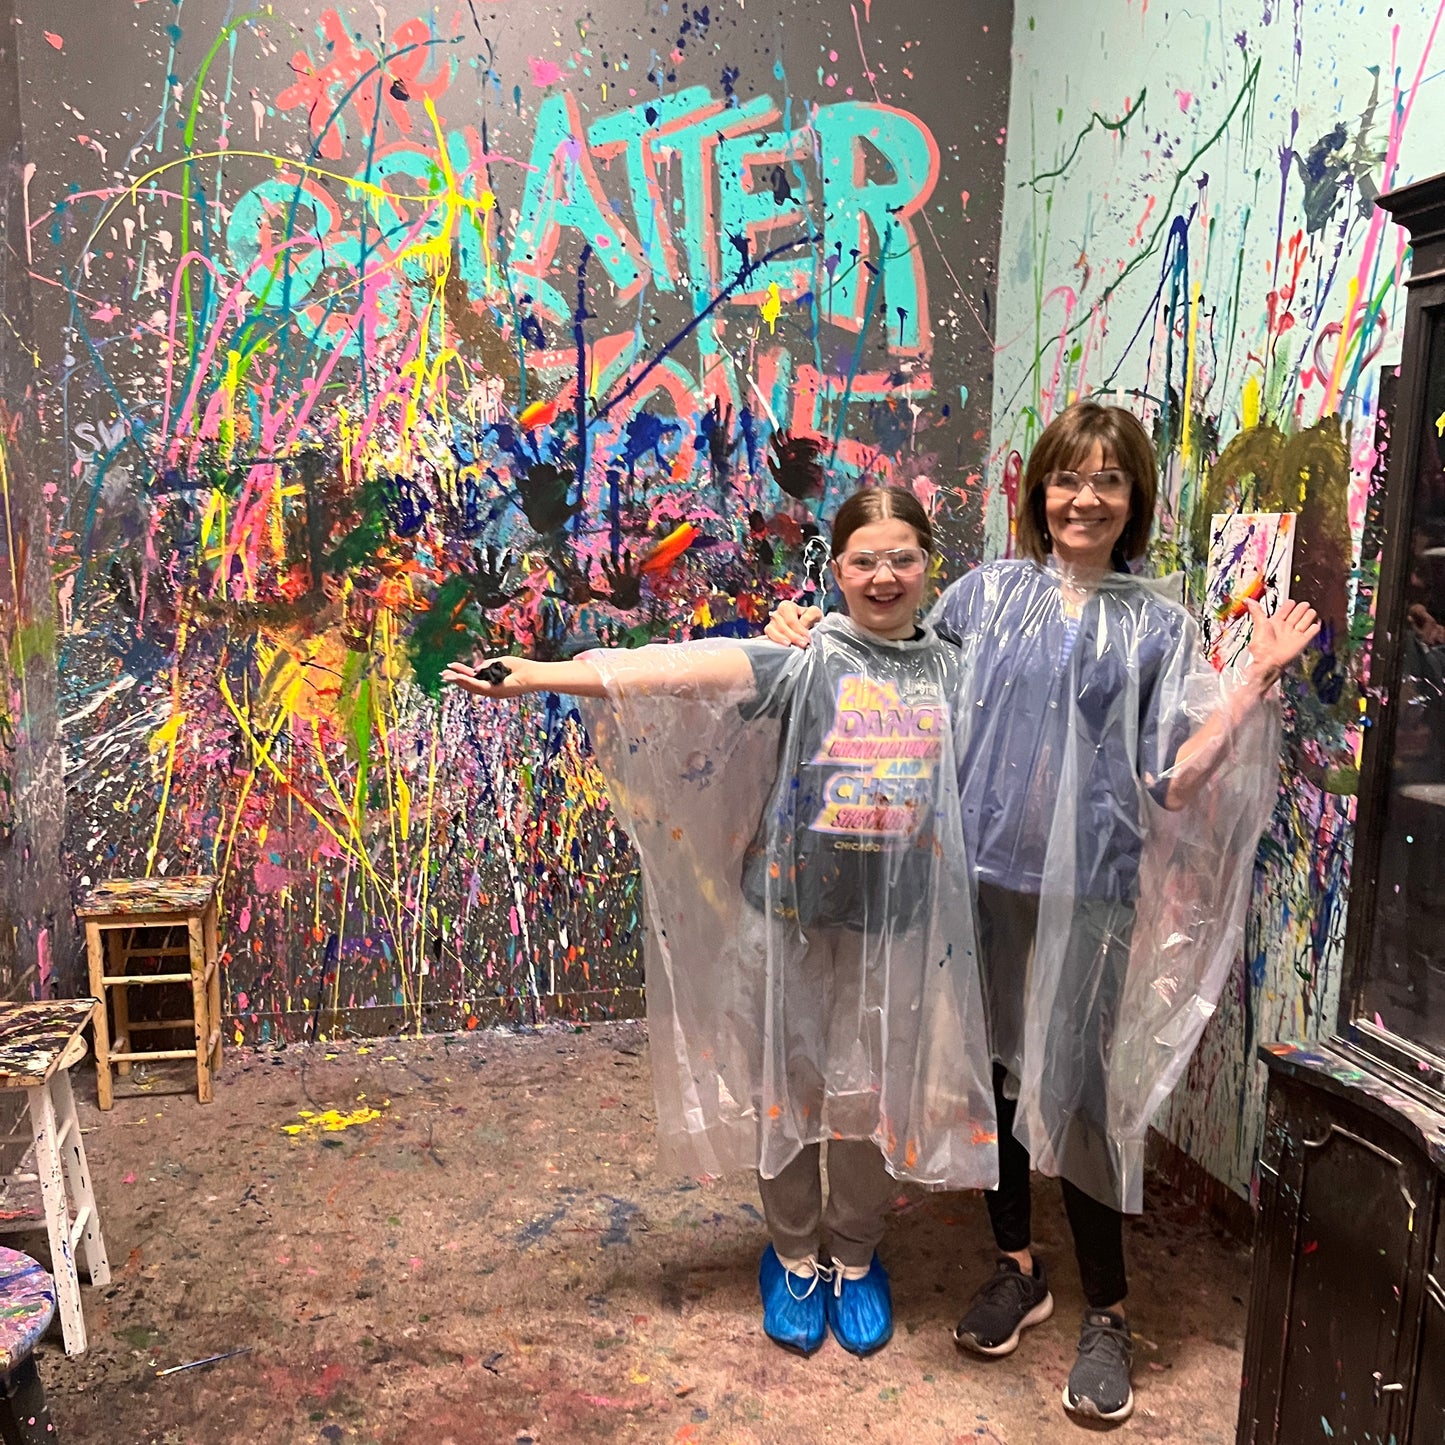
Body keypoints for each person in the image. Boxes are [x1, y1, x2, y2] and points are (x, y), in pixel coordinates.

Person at [766, 402, 1319, 1423]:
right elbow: (891, 662)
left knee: (1078, 1095)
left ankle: (1106, 1308)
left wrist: (1247, 680)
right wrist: (805, 624)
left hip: (1090, 894)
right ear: (1039, 493)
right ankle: (1017, 1264)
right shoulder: (982, 594)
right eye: (1068, 478)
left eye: (1108, 480)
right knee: (988, 1078)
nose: (1085, 497)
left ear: (1131, 499)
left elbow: (1170, 775)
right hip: (971, 883)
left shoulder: (1156, 622)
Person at [445, 486, 997, 1361]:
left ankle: (854, 1256)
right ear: (837, 570)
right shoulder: (805, 657)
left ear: (930, 563)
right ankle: (792, 1254)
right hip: (786, 913)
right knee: (790, 1087)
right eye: (864, 560)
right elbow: (680, 667)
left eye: (902, 557)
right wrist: (545, 675)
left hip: (897, 926)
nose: (883, 576)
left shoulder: (957, 669)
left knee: (868, 1094)